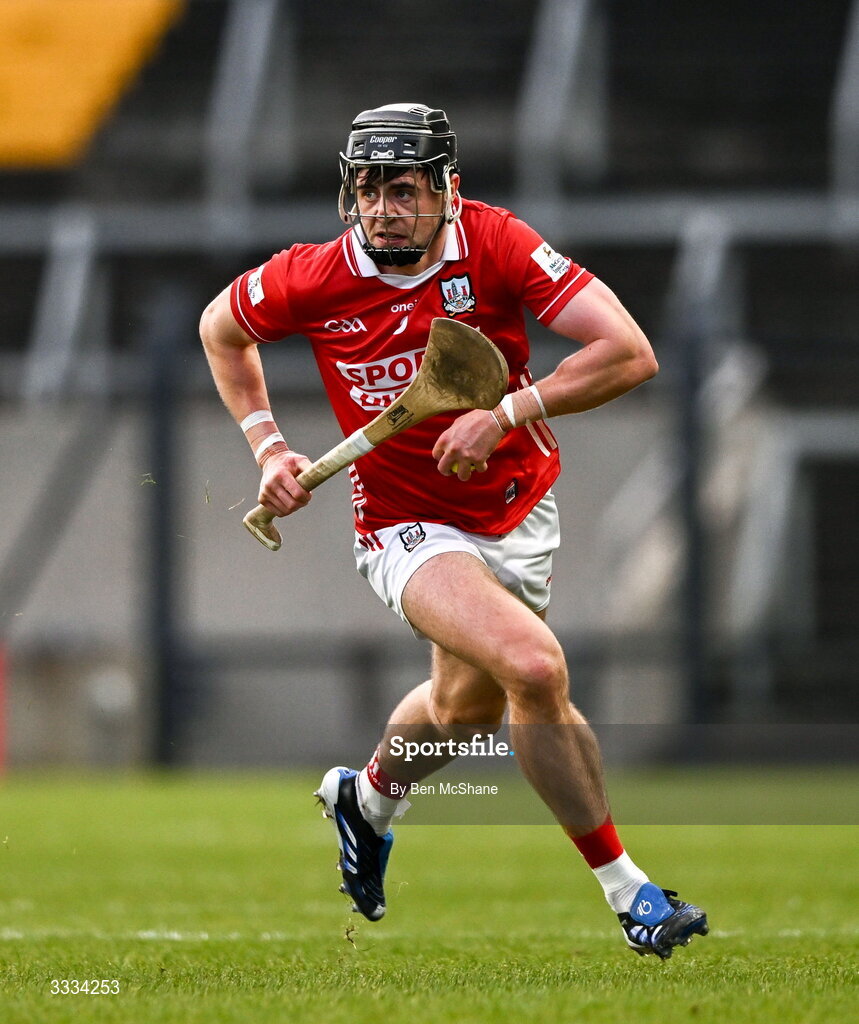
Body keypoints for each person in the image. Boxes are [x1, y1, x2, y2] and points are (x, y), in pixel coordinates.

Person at [200, 102, 709, 959]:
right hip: (403, 523)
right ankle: (633, 896)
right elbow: (222, 330)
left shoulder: (498, 243)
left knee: (459, 708)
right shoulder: (311, 276)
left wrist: (506, 412)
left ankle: (365, 802)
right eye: (366, 190)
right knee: (532, 668)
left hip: (517, 506)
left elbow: (628, 351)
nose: (381, 211)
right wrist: (268, 446)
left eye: (402, 191)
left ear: (447, 191)